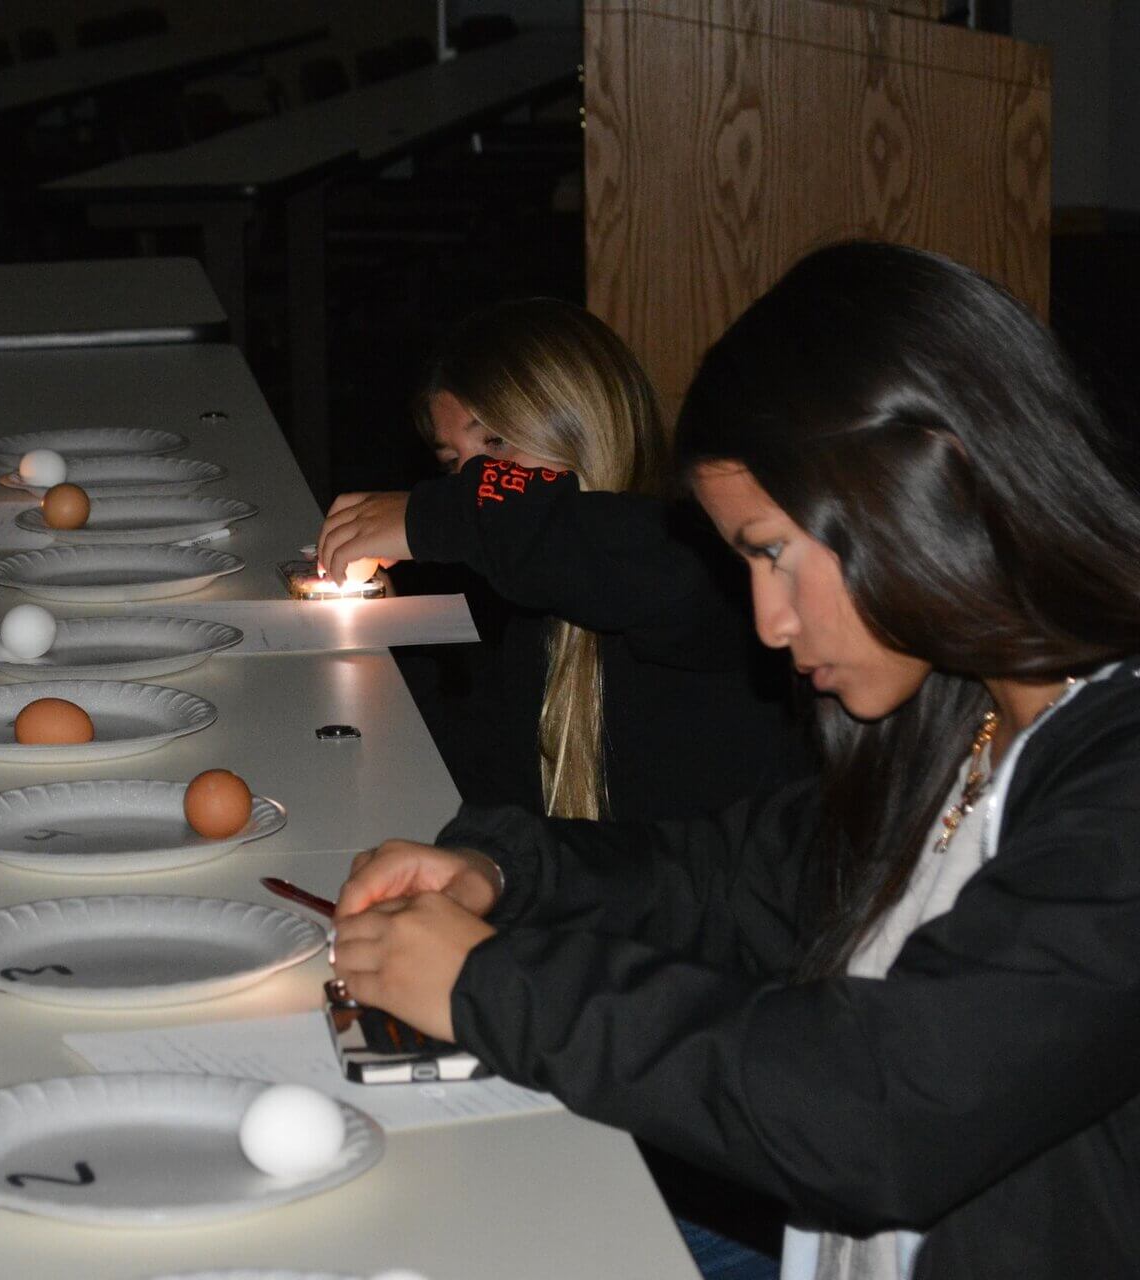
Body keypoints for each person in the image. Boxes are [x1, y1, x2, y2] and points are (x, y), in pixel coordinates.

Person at [330, 243, 1140, 1277]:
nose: (765, 619)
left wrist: (492, 982)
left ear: (924, 484)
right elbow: (724, 877)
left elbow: (877, 1107)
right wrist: (503, 870)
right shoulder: (961, 714)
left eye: (772, 550)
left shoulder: (1117, 792)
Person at [317, 300, 806, 825]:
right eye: (456, 463)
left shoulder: (705, 560)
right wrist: (390, 652)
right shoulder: (535, 617)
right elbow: (494, 794)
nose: (476, 478)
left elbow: (619, 557)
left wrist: (438, 515)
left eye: (497, 441)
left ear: (584, 419)